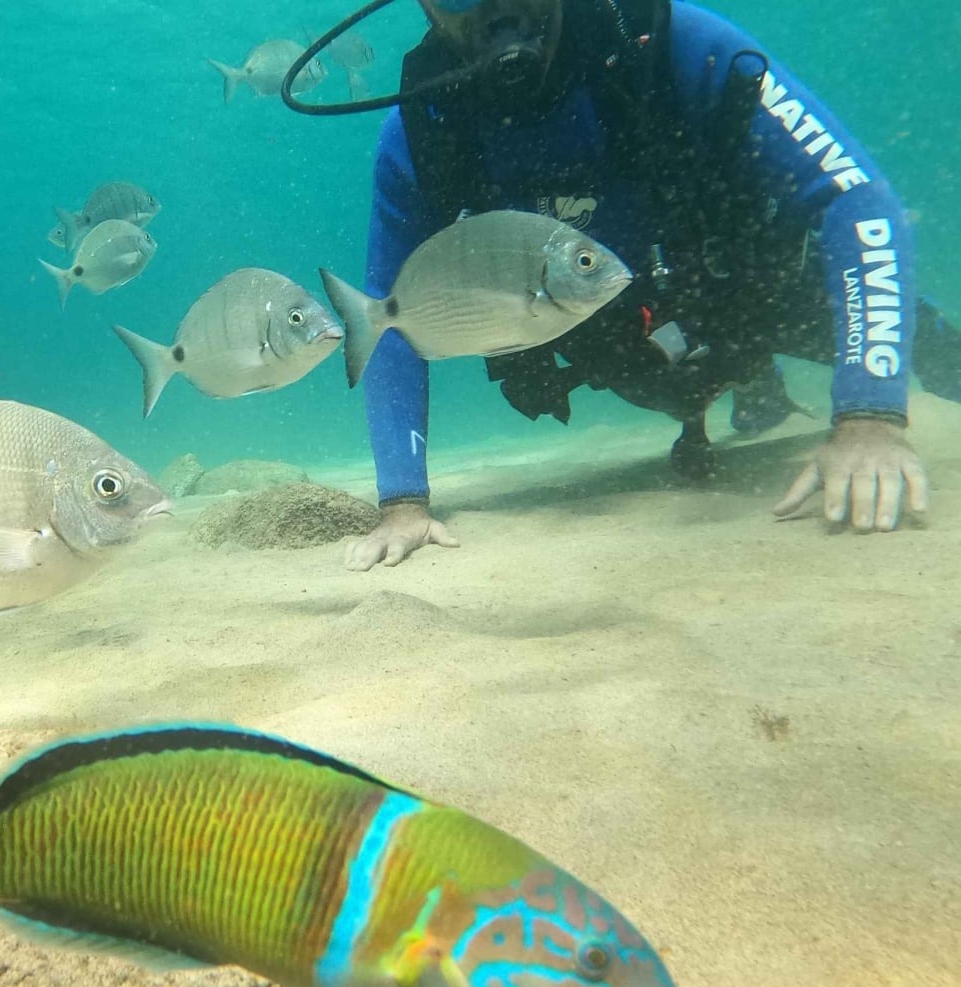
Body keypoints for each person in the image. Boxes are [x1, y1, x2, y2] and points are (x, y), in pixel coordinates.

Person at [286, 0, 958, 571]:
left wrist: (870, 412)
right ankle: (735, 386)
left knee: (916, 341)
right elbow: (384, 314)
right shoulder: (424, 128)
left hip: (759, 290)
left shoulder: (669, 42)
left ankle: (796, 365)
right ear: (426, 7)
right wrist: (403, 501)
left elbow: (857, 200)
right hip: (617, 334)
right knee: (663, 382)